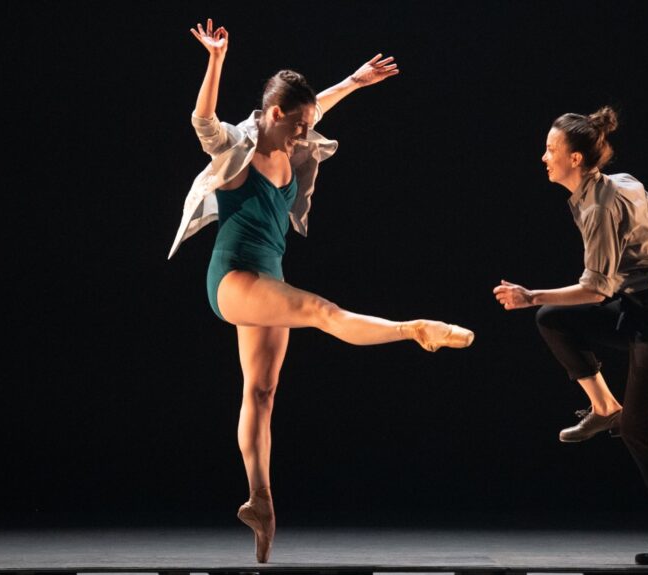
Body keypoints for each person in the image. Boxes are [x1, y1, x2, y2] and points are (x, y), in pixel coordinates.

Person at [173, 19, 474, 563]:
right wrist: (215, 62)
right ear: (272, 114)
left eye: (308, 124)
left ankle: (259, 501)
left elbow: (321, 107)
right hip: (234, 277)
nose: (305, 133)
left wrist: (354, 82)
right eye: (299, 124)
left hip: (269, 275)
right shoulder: (238, 149)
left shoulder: (293, 142)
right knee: (320, 310)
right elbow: (203, 121)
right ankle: (414, 330)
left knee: (261, 394)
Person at [493, 106, 648, 565]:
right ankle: (603, 406)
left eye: (552, 150)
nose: (543, 157)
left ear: (575, 159)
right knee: (554, 319)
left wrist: (529, 294)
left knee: (641, 431)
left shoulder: (600, 204)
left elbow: (597, 288)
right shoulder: (623, 182)